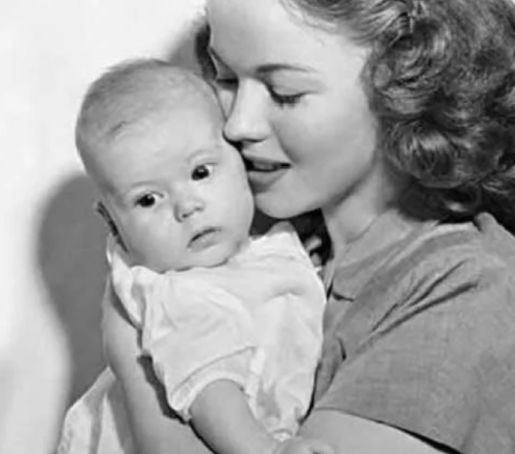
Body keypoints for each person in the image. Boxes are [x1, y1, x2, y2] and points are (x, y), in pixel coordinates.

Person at [97, 0, 515, 453]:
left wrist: (133, 342)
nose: (238, 124)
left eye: (283, 92)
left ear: (405, 79)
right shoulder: (275, 250)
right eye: (227, 79)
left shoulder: (474, 300)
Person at [57, 59, 331, 454]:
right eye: (148, 199)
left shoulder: (260, 248)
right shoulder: (179, 293)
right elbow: (210, 391)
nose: (186, 207)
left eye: (201, 173)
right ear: (112, 222)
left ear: (240, 158)